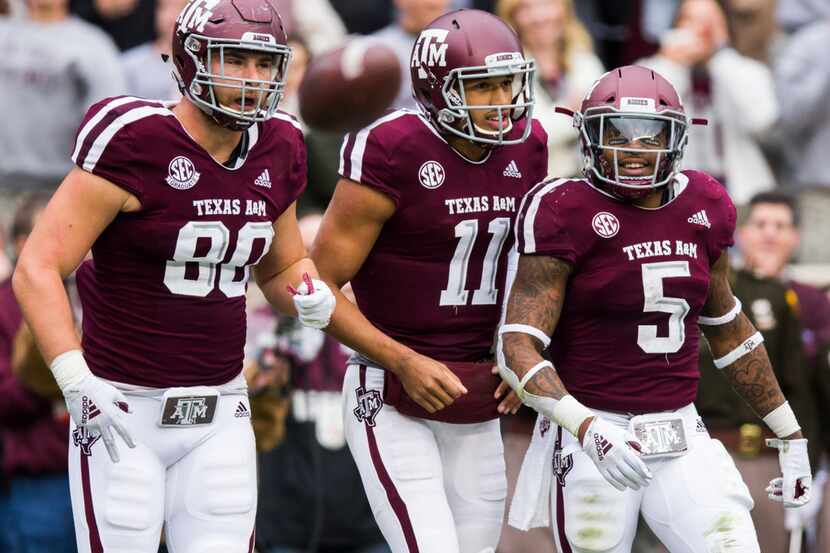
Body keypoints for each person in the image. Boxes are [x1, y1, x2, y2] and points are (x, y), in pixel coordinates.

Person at [10, 0, 339, 550]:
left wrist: (308, 293)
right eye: (234, 60)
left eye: (265, 63)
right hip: (122, 405)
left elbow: (281, 266)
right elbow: (38, 266)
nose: (253, 78)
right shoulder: (135, 139)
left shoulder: (280, 143)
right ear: (190, 60)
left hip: (222, 406)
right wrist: (75, 380)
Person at [498, 65, 812, 552]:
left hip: (680, 426)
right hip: (593, 429)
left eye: (652, 136)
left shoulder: (704, 203)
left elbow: (728, 327)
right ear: (588, 137)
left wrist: (789, 434)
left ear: (679, 139)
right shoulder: (562, 208)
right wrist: (587, 427)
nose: (635, 150)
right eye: (617, 133)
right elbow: (516, 344)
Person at [310, 9, 548, 553]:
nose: (500, 102)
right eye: (481, 87)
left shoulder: (528, 143)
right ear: (438, 90)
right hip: (389, 390)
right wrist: (402, 360)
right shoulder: (392, 148)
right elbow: (318, 286)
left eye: (506, 83)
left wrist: (519, 352)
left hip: (477, 390)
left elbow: (534, 270)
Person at [253, 213, 390, 553]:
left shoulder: (384, 326)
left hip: (372, 524)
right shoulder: (262, 323)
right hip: (286, 522)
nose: (313, 274)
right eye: (304, 257)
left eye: (322, 255)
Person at [636, 0, 778, 205]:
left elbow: (761, 120)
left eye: (710, 23)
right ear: (675, 27)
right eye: (690, 21)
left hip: (740, 195)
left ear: (725, 28)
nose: (701, 30)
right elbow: (643, 122)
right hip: (673, 197)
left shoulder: (748, 71)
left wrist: (720, 55)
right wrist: (672, 63)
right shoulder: (653, 70)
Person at [0, 193, 76, 553]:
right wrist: (55, 374)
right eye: (50, 230)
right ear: (19, 243)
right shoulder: (4, 307)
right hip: (42, 483)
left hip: (106, 475)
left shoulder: (90, 293)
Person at [496, 0, 605, 179]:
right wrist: (570, 112)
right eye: (526, 7)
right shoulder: (505, 70)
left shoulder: (586, 62)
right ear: (512, 16)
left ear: (565, 9)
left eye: (548, 3)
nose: (540, 17)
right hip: (528, 185)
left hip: (586, 184)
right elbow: (520, 137)